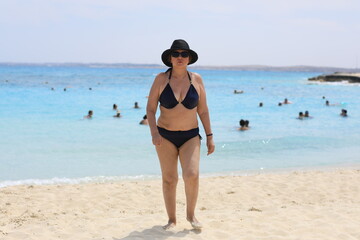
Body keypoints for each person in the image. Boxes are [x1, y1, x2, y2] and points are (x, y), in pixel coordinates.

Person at [146, 39, 215, 230]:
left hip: (190, 136)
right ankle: (171, 219)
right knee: (170, 179)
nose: (180, 57)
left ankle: (191, 216)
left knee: (191, 174)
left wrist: (210, 136)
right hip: (165, 136)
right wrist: (154, 133)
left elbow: (203, 111)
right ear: (170, 58)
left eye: (184, 54)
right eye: (175, 54)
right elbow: (150, 109)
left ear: (189, 58)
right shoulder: (161, 79)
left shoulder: (197, 80)